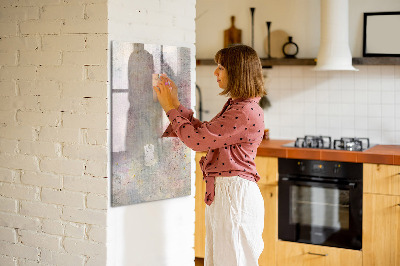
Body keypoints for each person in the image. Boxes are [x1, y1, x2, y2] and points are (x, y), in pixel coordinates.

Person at [153, 44, 266, 266]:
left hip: (234, 195)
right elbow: (205, 134)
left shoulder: (243, 111)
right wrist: (175, 104)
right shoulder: (239, 106)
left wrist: (169, 108)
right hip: (228, 193)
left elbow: (197, 141)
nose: (215, 72)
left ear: (237, 71)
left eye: (221, 67)